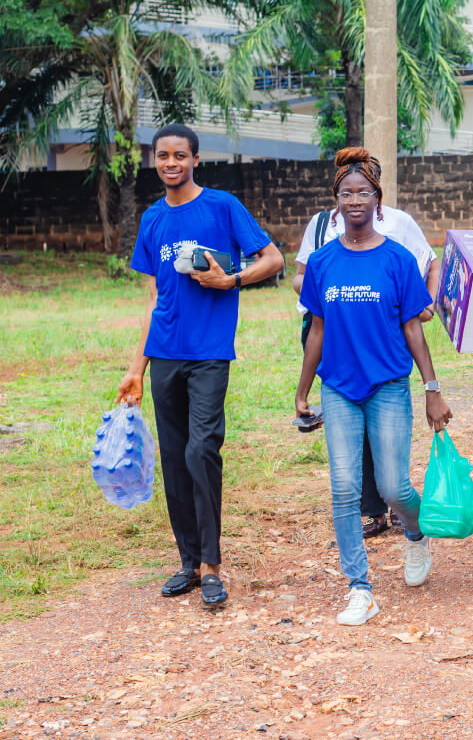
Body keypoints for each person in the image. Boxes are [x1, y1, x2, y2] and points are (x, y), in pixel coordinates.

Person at [117, 124, 284, 607]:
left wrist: (231, 280)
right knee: (173, 460)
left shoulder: (222, 206)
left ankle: (212, 565)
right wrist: (137, 368)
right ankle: (188, 562)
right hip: (165, 355)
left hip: (210, 353)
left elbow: (272, 259)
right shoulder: (151, 220)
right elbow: (155, 302)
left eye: (180, 156)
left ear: (195, 159)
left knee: (201, 450)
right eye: (163, 156)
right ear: (155, 161)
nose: (171, 163)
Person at [294, 148, 452, 626]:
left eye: (364, 193)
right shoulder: (322, 262)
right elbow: (316, 330)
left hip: (387, 385)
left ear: (377, 201)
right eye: (347, 194)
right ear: (336, 203)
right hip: (339, 388)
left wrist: (432, 386)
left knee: (392, 486)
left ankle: (416, 533)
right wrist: (302, 391)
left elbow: (413, 327)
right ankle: (359, 588)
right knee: (344, 488)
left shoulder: (398, 259)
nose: (355, 200)